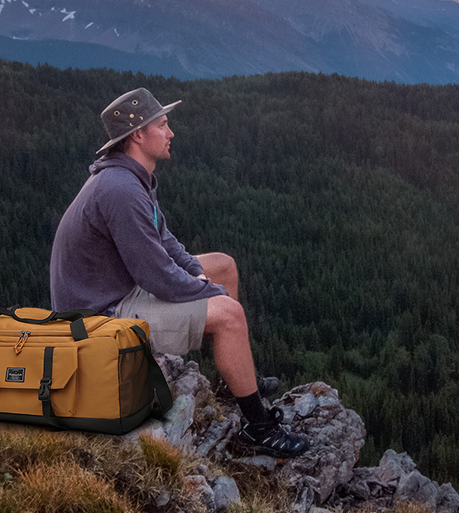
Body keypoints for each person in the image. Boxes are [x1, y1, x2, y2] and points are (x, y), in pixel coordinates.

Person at [50, 87, 307, 458]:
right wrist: (205, 292)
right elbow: (156, 276)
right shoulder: (120, 189)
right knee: (230, 315)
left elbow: (166, 243)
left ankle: (228, 381)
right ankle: (259, 427)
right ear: (138, 135)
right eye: (163, 124)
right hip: (99, 318)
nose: (171, 133)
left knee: (224, 265)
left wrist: (202, 278)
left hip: (117, 292)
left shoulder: (133, 178)